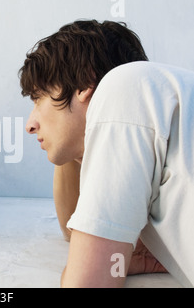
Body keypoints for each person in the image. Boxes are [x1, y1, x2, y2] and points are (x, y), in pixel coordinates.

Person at [19, 20, 194, 287]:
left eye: (39, 98)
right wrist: (74, 141)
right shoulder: (159, 110)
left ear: (85, 82)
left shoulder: (124, 86)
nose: (30, 125)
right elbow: (72, 228)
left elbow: (85, 284)